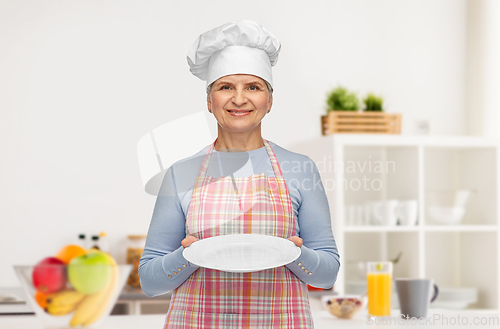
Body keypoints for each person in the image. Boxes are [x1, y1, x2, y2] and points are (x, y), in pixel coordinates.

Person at [139, 20, 340, 328]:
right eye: (225, 87)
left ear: (269, 100)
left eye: (253, 87)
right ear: (209, 100)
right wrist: (189, 254)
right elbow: (150, 282)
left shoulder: (300, 169)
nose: (239, 99)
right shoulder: (181, 173)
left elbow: (327, 276)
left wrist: (291, 251)